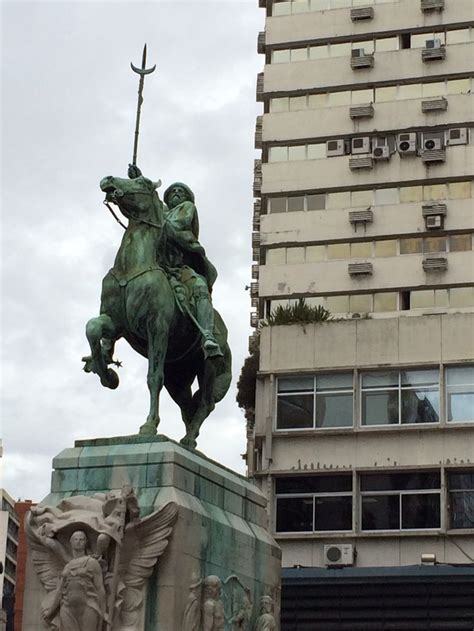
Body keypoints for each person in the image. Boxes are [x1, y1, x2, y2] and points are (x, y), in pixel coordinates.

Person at [162, 182, 223, 359]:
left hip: (182, 268)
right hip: (159, 266)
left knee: (200, 286)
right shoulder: (160, 212)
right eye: (173, 191)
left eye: (181, 191)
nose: (176, 193)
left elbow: (177, 226)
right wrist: (137, 178)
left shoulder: (186, 208)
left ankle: (208, 336)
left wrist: (157, 221)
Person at [43, 531, 107, 631]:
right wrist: (50, 612)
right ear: (71, 542)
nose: (78, 541)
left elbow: (100, 589)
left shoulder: (92, 562)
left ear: (85, 542)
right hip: (67, 608)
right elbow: (59, 592)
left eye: (81, 539)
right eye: (75, 539)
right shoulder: (66, 567)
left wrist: (104, 613)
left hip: (88, 606)